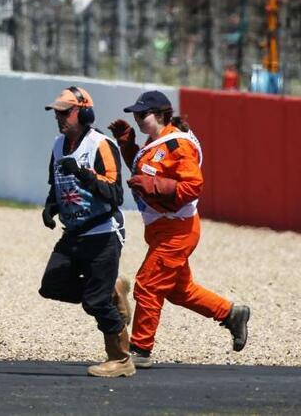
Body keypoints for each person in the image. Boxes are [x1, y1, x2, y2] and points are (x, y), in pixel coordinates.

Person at [108, 90, 250, 368]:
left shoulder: (178, 145)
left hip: (177, 231)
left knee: (148, 284)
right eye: (135, 114)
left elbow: (192, 186)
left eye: (142, 114)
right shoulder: (157, 141)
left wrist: (154, 187)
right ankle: (232, 314)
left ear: (160, 115)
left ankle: (141, 350)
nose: (137, 118)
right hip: (164, 229)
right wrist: (128, 146)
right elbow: (148, 171)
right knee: (178, 290)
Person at [38, 86, 134, 378]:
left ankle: (120, 358)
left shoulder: (100, 145)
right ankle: (111, 290)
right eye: (57, 112)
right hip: (74, 233)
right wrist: (51, 206)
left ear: (84, 113)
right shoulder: (58, 146)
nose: (59, 117)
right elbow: (56, 184)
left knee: (95, 301)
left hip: (103, 232)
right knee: (52, 285)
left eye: (65, 112)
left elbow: (115, 194)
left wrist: (82, 172)